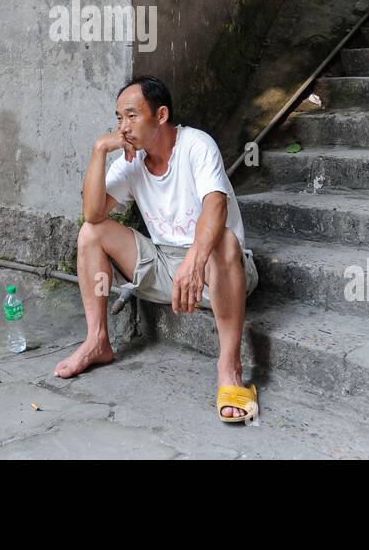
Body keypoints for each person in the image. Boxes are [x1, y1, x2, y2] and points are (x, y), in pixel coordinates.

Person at [53, 76, 261, 423]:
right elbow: (92, 213)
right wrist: (99, 151)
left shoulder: (196, 144)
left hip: (220, 267)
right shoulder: (132, 162)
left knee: (223, 238)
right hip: (165, 266)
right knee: (91, 232)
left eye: (132, 116)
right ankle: (97, 341)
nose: (123, 127)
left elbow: (215, 207)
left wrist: (195, 259)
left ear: (160, 115)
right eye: (119, 118)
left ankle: (230, 367)